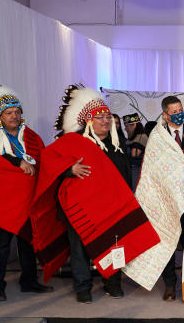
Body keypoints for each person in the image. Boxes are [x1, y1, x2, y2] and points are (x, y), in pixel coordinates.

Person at [37, 84, 159, 304]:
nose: (105, 120)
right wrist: (69, 169)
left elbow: (124, 177)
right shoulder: (74, 142)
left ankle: (112, 284)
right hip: (80, 209)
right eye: (99, 117)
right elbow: (47, 160)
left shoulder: (116, 145)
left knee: (115, 246)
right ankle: (82, 287)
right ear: (89, 121)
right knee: (80, 250)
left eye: (107, 117)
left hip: (111, 209)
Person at [0, 82, 54, 302]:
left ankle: (29, 281)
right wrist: (17, 162)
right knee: (1, 245)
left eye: (17, 112)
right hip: (5, 201)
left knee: (28, 243)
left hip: (28, 199)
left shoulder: (32, 137)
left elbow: (43, 160)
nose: (14, 116)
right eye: (9, 113)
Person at [126, 96, 184, 301]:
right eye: (174, 111)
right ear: (165, 114)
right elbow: (152, 170)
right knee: (166, 240)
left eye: (180, 109)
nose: (178, 114)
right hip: (166, 198)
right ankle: (170, 284)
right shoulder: (157, 137)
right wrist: (165, 192)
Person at [122, 113, 147, 189]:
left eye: (127, 126)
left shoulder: (142, 137)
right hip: (130, 171)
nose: (125, 129)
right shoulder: (133, 138)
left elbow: (133, 155)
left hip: (137, 172)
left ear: (134, 125)